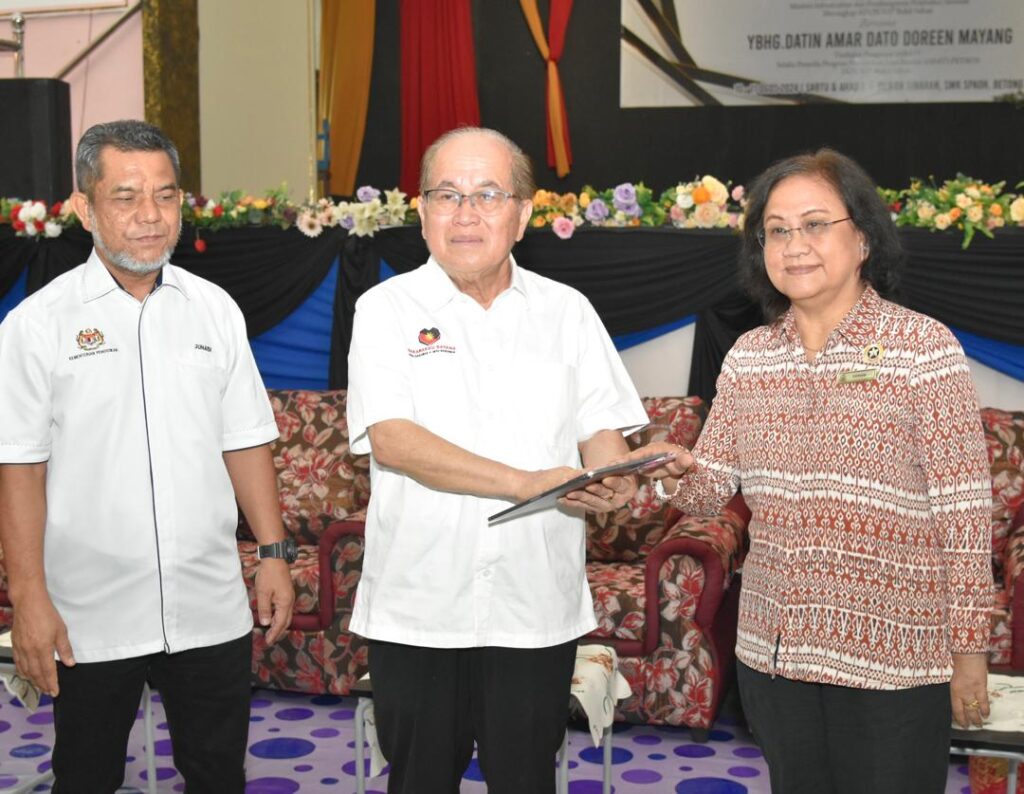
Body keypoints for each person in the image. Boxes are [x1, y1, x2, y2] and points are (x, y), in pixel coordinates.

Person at [630, 148, 993, 793]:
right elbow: (710, 491)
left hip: (894, 659)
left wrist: (969, 654)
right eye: (776, 230)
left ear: (863, 240)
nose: (794, 245)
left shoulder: (923, 349)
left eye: (816, 224)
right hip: (776, 655)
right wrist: (671, 467)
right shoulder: (750, 356)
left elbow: (964, 518)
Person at [346, 126, 649, 793]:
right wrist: (525, 482)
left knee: (525, 780)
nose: (466, 213)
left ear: (523, 213)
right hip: (420, 604)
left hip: (533, 604)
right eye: (447, 194)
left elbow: (602, 429)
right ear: (421, 210)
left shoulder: (566, 312)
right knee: (419, 780)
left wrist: (612, 480)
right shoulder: (385, 309)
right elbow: (392, 438)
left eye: (487, 194)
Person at [0, 119, 295, 793]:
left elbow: (245, 438)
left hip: (209, 603)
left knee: (218, 775)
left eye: (165, 195)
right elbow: (19, 469)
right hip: (88, 612)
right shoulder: (37, 325)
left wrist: (274, 553)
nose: (150, 216)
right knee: (86, 777)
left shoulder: (214, 310)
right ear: (84, 208)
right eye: (126, 196)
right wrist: (28, 598)